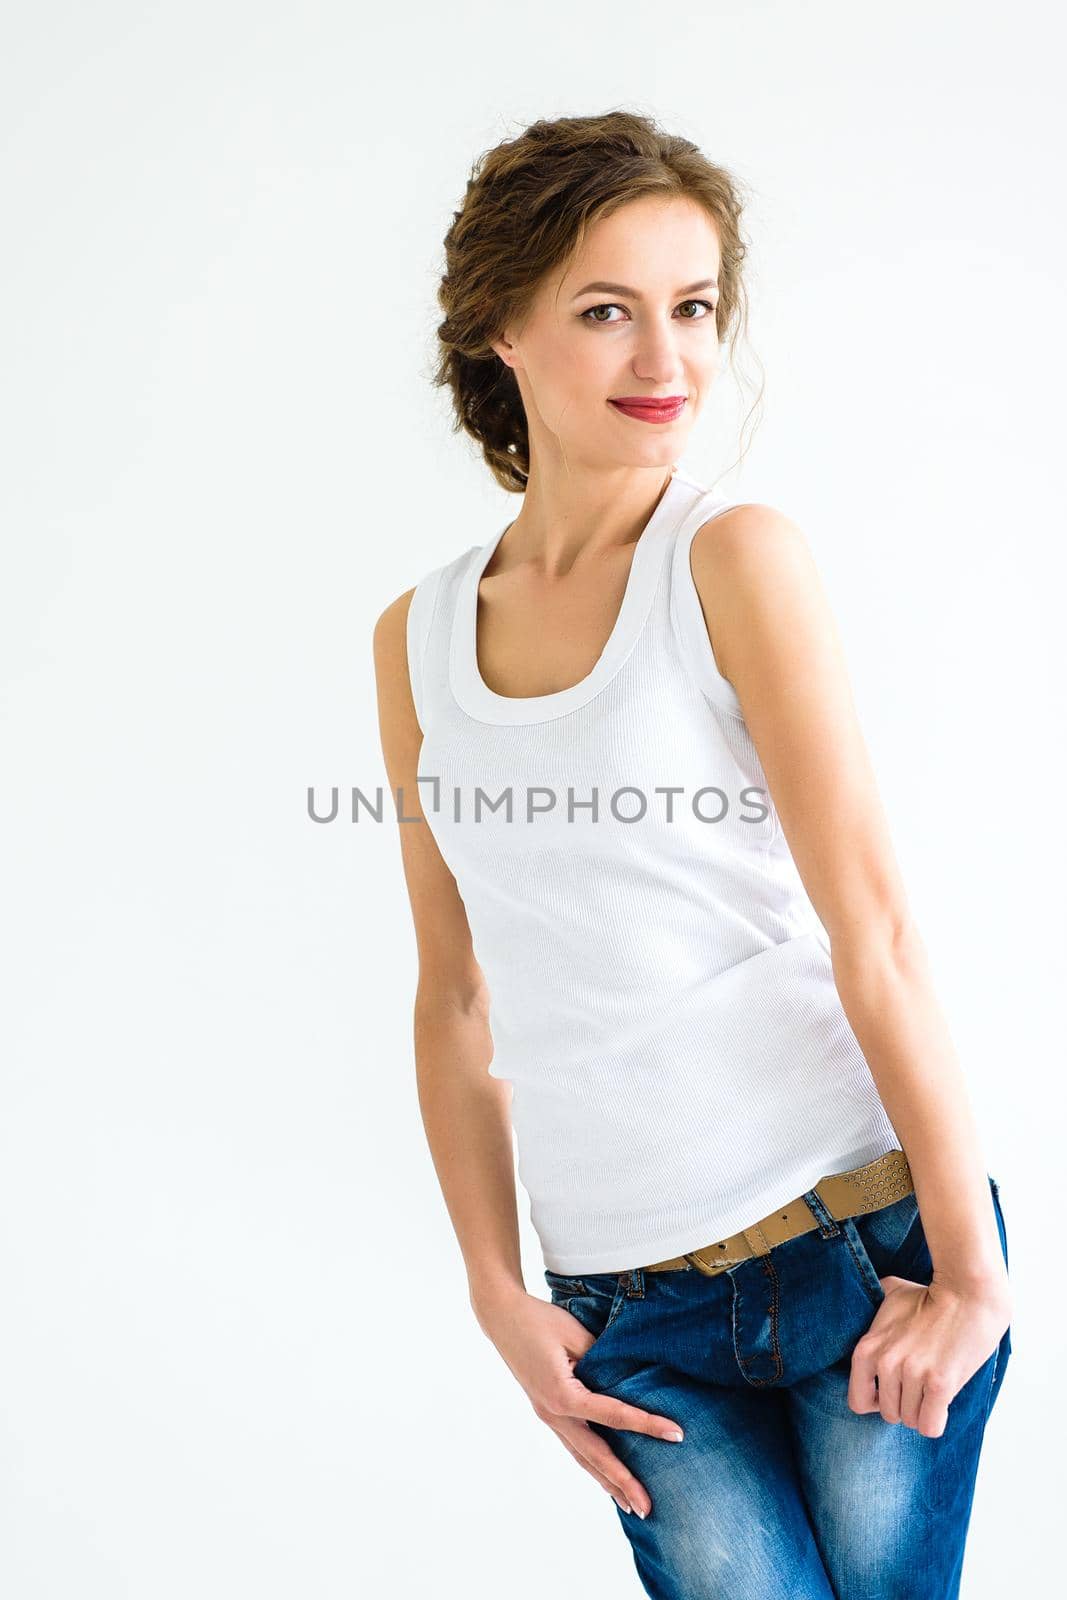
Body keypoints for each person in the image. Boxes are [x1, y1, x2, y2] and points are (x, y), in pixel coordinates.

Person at [373, 110, 1013, 1599]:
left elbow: (880, 935)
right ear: (501, 333)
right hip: (624, 1303)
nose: (666, 362)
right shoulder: (415, 641)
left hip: (862, 1252)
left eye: (694, 308)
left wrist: (972, 1277)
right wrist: (497, 1294)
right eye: (608, 311)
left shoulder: (730, 558)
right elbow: (453, 996)